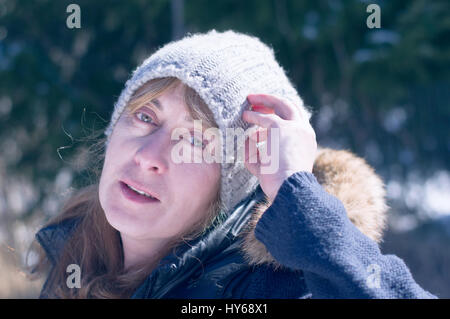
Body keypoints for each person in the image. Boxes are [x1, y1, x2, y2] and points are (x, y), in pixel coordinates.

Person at [30, 29, 437, 298]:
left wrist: (306, 212)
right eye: (145, 116)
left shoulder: (268, 289)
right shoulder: (74, 255)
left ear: (234, 183)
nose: (148, 157)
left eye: (194, 140)